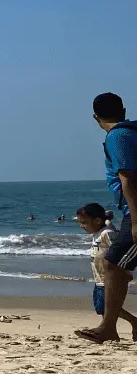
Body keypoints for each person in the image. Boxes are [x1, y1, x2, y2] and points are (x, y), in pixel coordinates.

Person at [77, 93, 137, 344]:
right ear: (123, 109)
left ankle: (108, 328)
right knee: (116, 266)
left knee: (112, 264)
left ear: (95, 117)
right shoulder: (131, 132)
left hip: (134, 210)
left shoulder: (117, 136)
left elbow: (127, 178)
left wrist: (135, 220)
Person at [77, 203, 137, 339]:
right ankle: (107, 329)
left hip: (107, 278)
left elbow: (118, 254)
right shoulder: (96, 233)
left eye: (84, 223)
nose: (82, 226)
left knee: (108, 304)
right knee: (101, 306)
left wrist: (124, 272)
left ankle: (130, 322)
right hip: (98, 278)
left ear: (97, 221)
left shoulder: (107, 233)